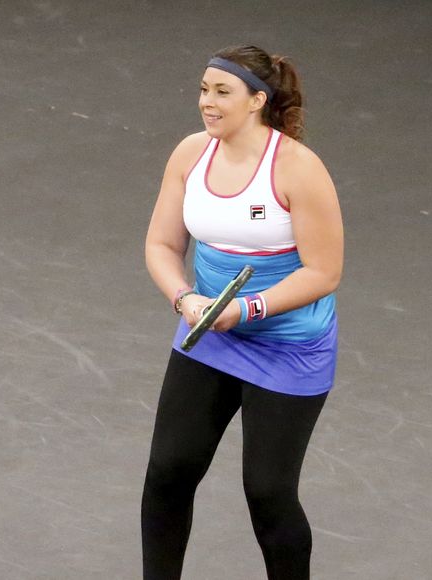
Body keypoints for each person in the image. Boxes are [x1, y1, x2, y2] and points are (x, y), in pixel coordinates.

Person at [141, 44, 344, 580]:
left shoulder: (298, 169)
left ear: (258, 100)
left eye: (222, 92)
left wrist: (248, 308)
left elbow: (323, 272)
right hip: (210, 332)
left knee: (269, 492)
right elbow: (162, 245)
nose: (207, 102)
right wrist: (186, 300)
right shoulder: (190, 154)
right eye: (204, 90)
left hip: (289, 347)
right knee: (168, 471)